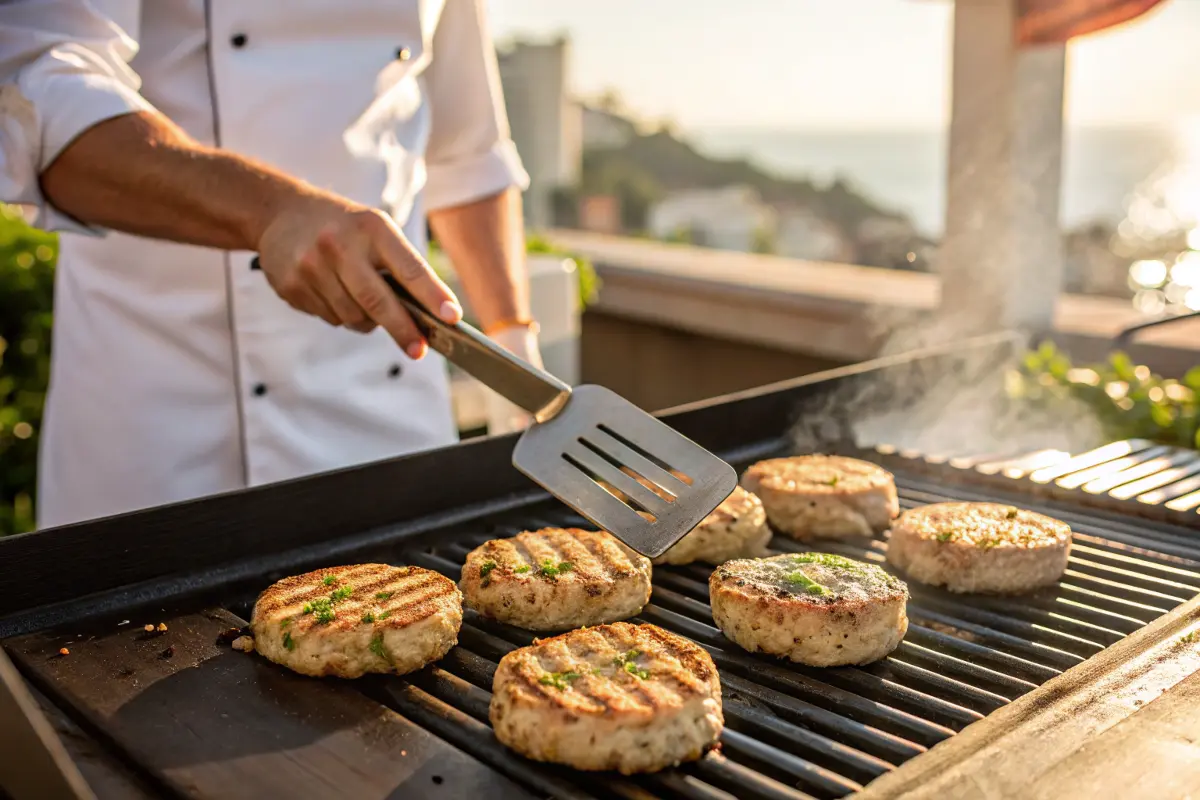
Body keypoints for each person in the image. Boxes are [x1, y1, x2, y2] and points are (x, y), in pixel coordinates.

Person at [0, 0, 539, 529]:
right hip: (161, 427)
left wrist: (516, 353)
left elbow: (468, 154)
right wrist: (271, 213)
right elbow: (37, 100)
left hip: (388, 417)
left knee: (414, 604)